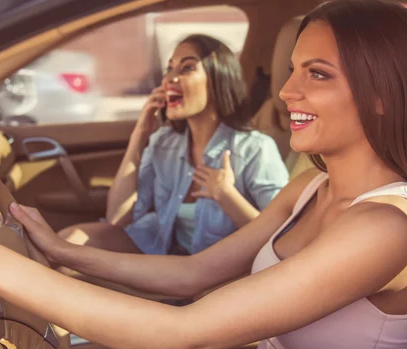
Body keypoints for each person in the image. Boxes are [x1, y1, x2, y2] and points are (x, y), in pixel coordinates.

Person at [0, 0, 407, 349]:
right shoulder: (310, 188)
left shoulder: (388, 227)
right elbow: (193, 275)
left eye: (318, 74)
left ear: (382, 93)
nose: (287, 92)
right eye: (292, 71)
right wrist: (63, 252)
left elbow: (181, 336)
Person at [59, 34, 288, 256]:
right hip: (164, 252)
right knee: (70, 241)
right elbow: (118, 219)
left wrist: (227, 196)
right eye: (169, 69)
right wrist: (139, 137)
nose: (169, 78)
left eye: (187, 68)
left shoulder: (256, 148)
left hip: (219, 269)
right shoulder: (164, 142)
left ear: (218, 80)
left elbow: (280, 236)